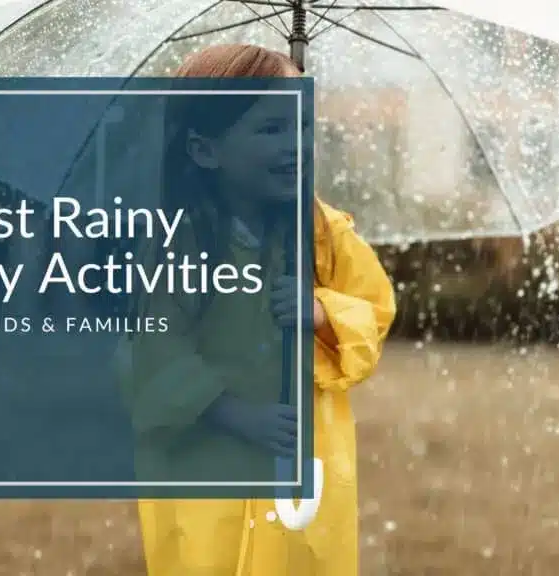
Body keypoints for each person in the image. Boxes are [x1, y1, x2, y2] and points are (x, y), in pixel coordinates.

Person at [117, 43, 397, 575]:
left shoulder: (322, 232)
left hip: (303, 459)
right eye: (271, 130)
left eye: (302, 125)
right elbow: (151, 349)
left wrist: (321, 312)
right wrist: (232, 413)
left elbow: (375, 309)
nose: (296, 144)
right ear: (206, 150)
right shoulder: (180, 243)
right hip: (210, 462)